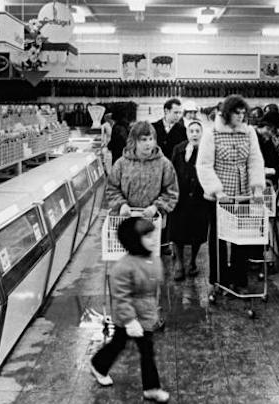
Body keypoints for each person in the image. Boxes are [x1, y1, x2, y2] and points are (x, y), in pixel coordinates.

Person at [89, 217, 170, 403]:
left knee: (122, 344)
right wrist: (130, 321)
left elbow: (154, 285)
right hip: (129, 318)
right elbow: (121, 298)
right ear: (134, 240)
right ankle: (151, 388)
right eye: (147, 236)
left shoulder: (151, 258)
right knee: (137, 348)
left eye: (153, 234)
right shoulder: (122, 268)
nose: (153, 239)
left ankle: (99, 365)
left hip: (145, 314)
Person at [196, 94, 266, 295]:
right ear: (227, 114)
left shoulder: (249, 132)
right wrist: (217, 191)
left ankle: (239, 279)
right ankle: (219, 280)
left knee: (241, 239)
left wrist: (257, 187)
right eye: (237, 113)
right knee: (218, 239)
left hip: (242, 194)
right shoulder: (212, 134)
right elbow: (204, 165)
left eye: (244, 114)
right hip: (219, 198)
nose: (241, 117)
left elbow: (255, 160)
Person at [106, 121, 178, 219]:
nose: (148, 144)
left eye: (151, 139)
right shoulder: (121, 163)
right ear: (134, 141)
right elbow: (111, 189)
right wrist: (121, 205)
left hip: (153, 220)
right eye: (143, 140)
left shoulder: (164, 164)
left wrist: (156, 207)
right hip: (125, 219)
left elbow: (171, 192)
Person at [168, 119, 209, 281]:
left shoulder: (206, 150)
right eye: (191, 131)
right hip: (180, 197)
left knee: (197, 232)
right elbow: (171, 171)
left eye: (197, 131)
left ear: (201, 133)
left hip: (200, 198)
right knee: (177, 230)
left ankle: (192, 261)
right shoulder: (178, 149)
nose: (194, 134)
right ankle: (179, 263)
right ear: (187, 133)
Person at [151, 98, 186, 254]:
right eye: (175, 112)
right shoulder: (153, 128)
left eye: (180, 112)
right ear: (166, 111)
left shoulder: (182, 130)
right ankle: (153, 241)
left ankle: (166, 243)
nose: (178, 115)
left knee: (169, 208)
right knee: (154, 208)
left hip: (174, 175)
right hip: (155, 174)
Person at [256, 111, 279, 187]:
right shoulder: (251, 139)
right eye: (268, 128)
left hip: (268, 184)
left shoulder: (269, 142)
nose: (270, 133)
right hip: (254, 186)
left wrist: (274, 171)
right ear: (261, 125)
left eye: (273, 131)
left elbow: (276, 163)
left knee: (267, 198)